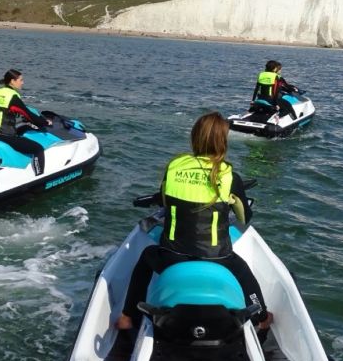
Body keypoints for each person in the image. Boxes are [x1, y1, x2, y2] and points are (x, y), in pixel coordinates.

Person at [116, 112, 272, 331]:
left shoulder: (174, 168)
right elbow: (245, 218)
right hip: (218, 257)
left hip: (172, 256)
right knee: (243, 271)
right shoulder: (230, 177)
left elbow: (164, 200)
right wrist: (235, 202)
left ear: (195, 138)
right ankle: (262, 317)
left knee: (145, 259)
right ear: (223, 141)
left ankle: (126, 317)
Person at [0, 69, 51, 175]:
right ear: (12, 81)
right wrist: (45, 122)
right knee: (38, 149)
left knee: (20, 130)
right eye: (20, 80)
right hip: (5, 136)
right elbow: (29, 115)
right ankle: (39, 176)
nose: (22, 82)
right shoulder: (12, 96)